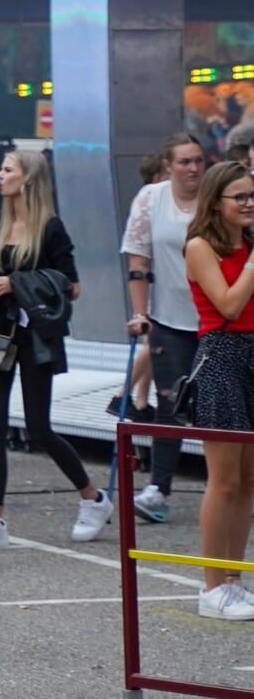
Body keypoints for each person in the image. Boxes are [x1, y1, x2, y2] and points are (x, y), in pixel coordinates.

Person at [0, 151, 111, 546]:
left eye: (7, 170)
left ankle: (93, 497)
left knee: (38, 428)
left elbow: (72, 285)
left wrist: (17, 282)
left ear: (28, 180)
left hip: (37, 335)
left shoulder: (50, 228)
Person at [182, 160, 254, 621]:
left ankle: (233, 580)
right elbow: (228, 303)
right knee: (224, 480)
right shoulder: (199, 246)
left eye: (252, 197)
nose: (249, 205)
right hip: (222, 357)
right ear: (217, 202)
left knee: (248, 481)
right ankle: (212, 586)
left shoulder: (246, 246)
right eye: (241, 198)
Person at [122, 135, 207, 524]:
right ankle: (158, 488)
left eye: (198, 161)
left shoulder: (217, 196)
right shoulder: (150, 199)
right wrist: (141, 314)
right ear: (168, 165)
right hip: (170, 318)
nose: (193, 169)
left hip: (218, 317)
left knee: (227, 405)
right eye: (185, 162)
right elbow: (139, 260)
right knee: (170, 402)